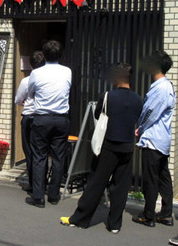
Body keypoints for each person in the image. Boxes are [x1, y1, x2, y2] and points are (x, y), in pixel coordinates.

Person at [60, 63, 143, 233]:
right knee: (120, 187)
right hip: (127, 147)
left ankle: (79, 219)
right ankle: (114, 225)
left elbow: (98, 115)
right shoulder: (138, 99)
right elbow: (138, 119)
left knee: (96, 183)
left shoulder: (107, 96)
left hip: (108, 146)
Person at [25, 40, 72, 208]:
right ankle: (53, 195)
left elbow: (30, 93)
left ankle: (38, 197)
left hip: (42, 119)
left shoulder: (37, 73)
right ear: (61, 55)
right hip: (61, 119)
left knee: (39, 157)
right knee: (59, 158)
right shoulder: (67, 71)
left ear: (44, 55)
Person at [132, 50, 176, 227]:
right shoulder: (166, 86)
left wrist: (140, 128)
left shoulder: (160, 88)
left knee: (151, 179)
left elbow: (150, 112)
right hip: (162, 139)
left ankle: (148, 215)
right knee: (164, 177)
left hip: (153, 139)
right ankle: (165, 214)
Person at [15, 51, 45, 192]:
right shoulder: (49, 80)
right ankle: (42, 183)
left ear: (31, 65)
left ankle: (34, 185)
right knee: (42, 152)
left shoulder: (26, 81)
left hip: (29, 118)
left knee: (30, 152)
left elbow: (18, 100)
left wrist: (24, 101)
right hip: (44, 118)